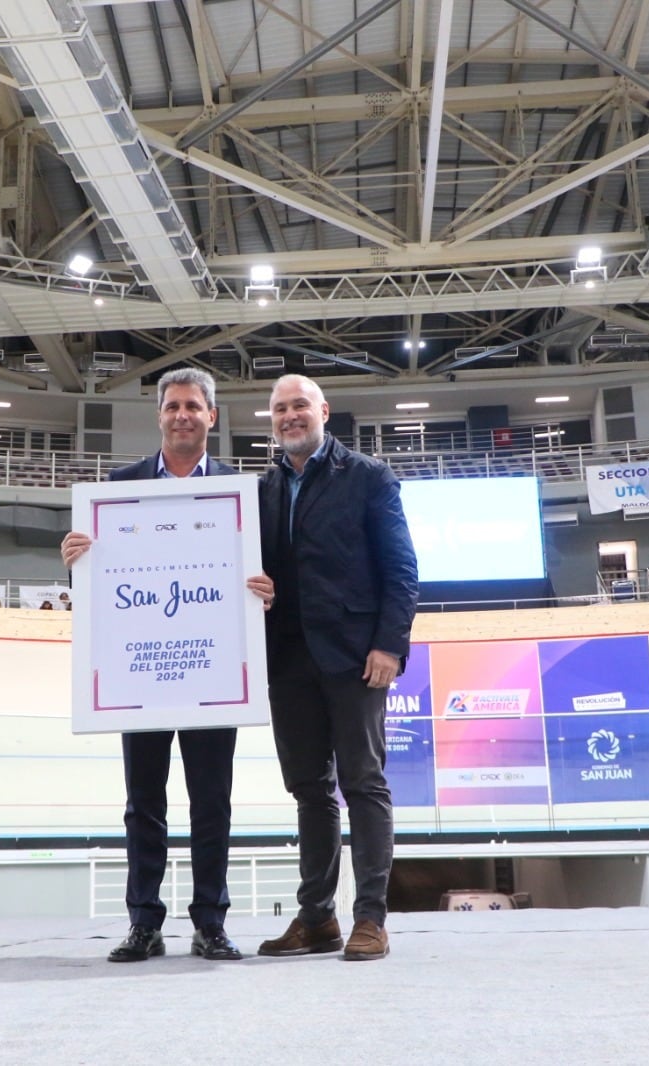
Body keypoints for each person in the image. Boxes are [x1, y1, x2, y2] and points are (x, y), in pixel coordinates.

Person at [59, 367, 248, 964]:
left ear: (212, 417)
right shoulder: (118, 488)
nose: (183, 414)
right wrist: (74, 563)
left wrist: (265, 587)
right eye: (173, 406)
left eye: (194, 405)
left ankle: (210, 924)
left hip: (212, 673)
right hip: (140, 673)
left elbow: (260, 576)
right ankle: (145, 923)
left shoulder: (244, 494)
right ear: (160, 416)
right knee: (144, 802)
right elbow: (98, 585)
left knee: (211, 803)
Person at [249, 373, 419, 963]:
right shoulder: (263, 489)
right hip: (287, 658)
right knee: (309, 791)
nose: (290, 416)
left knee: (363, 784)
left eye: (300, 406)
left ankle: (370, 917)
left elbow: (400, 567)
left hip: (355, 657)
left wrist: (389, 645)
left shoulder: (369, 476)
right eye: (280, 409)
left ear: (324, 411)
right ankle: (317, 917)